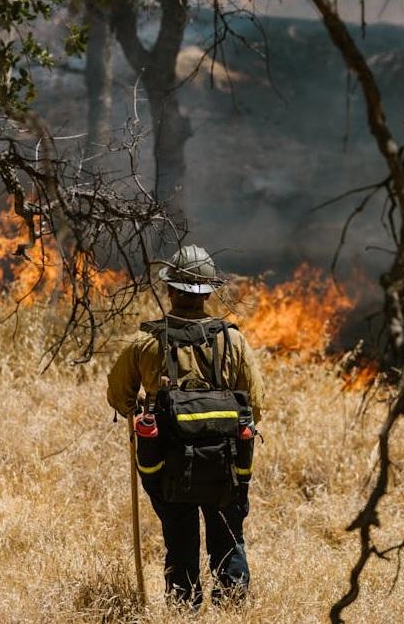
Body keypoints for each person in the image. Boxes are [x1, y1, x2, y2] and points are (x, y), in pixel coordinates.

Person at [107, 244, 265, 609]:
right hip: (227, 463)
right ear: (208, 292)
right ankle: (232, 609)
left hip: (166, 464)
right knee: (228, 536)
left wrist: (139, 408)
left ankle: (184, 610)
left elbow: (120, 398)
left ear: (170, 291)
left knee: (179, 537)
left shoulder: (145, 342)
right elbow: (255, 404)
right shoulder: (233, 340)